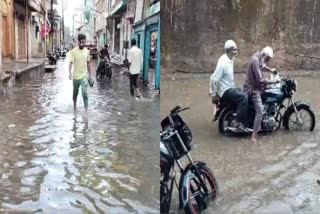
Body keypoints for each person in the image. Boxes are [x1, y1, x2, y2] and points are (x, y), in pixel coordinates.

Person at [209, 40, 250, 131]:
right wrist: (213, 94)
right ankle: (239, 122)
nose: (236, 52)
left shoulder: (229, 58)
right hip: (225, 91)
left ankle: (241, 115)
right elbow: (213, 78)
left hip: (229, 87)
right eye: (234, 50)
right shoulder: (223, 63)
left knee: (245, 92)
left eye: (236, 50)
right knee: (244, 98)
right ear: (228, 50)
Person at [243, 46, 279, 143]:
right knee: (260, 111)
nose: (267, 60)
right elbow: (260, 80)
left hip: (256, 87)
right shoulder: (255, 60)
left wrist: (271, 70)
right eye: (267, 59)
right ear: (264, 55)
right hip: (252, 89)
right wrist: (273, 81)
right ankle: (254, 137)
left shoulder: (258, 57)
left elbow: (262, 66)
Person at [68, 34, 92, 114]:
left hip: (84, 76)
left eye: (84, 42)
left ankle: (86, 111)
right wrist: (69, 73)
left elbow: (88, 63)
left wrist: (90, 76)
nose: (82, 44)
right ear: (78, 42)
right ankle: (74, 107)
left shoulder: (87, 51)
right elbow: (71, 62)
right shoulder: (73, 51)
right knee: (75, 93)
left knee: (84, 93)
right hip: (75, 76)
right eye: (81, 42)